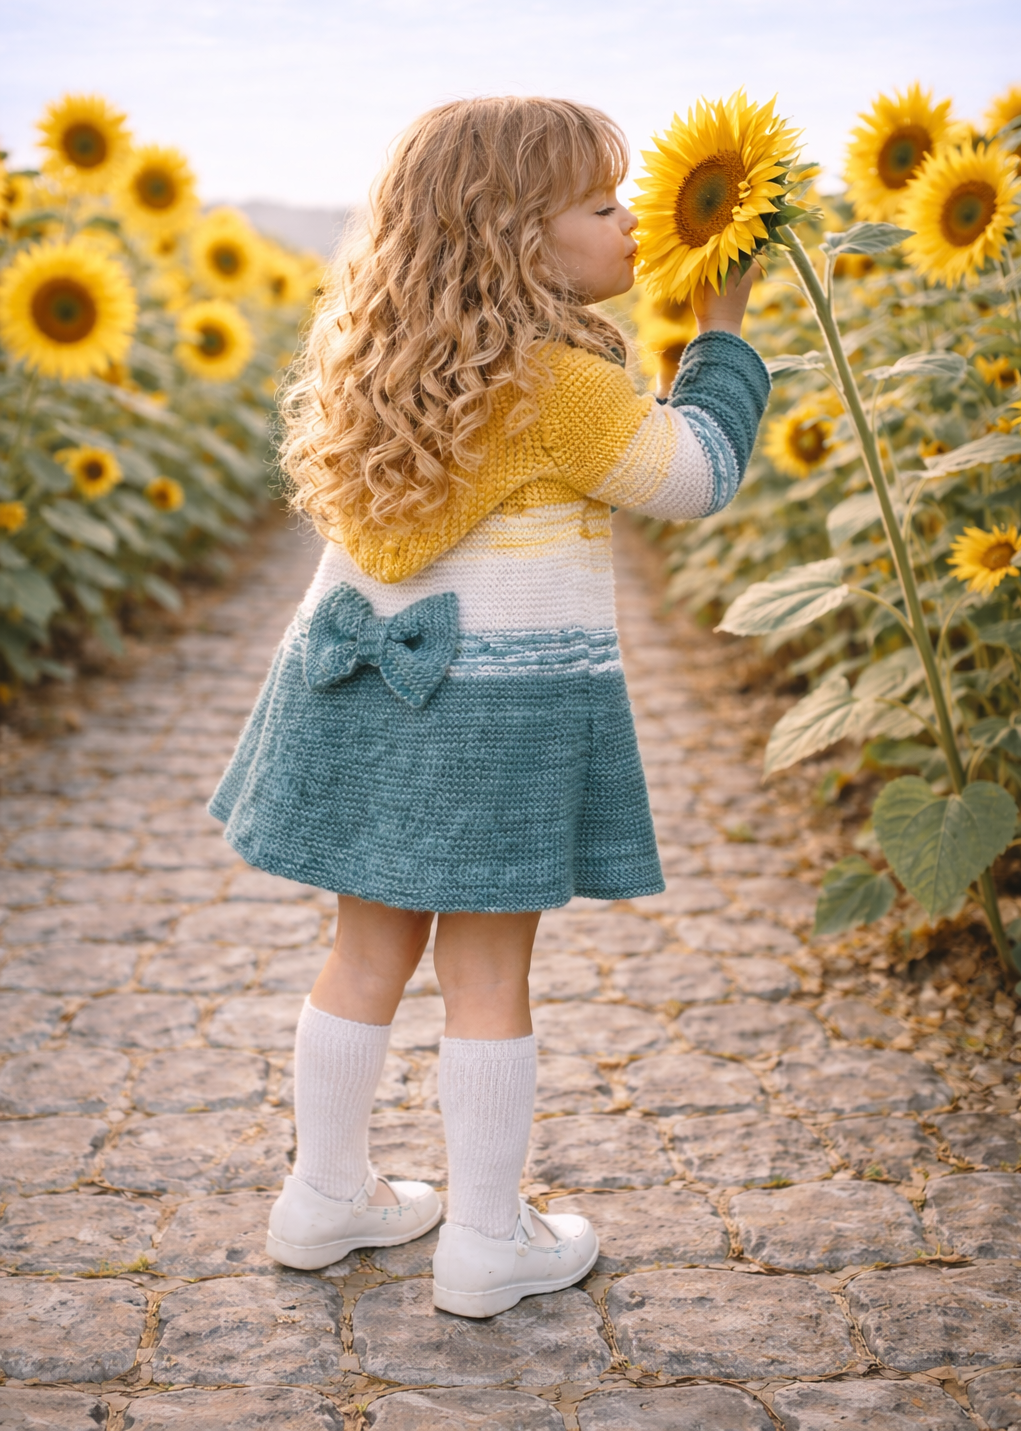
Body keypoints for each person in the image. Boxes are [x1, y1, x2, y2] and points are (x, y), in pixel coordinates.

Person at [209, 96, 768, 1319]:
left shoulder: (382, 367)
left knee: (362, 952)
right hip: (491, 718)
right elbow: (695, 476)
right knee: (484, 972)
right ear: (518, 237)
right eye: (604, 204)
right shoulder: (557, 384)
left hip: (362, 685)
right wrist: (720, 333)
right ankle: (482, 1242)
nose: (633, 224)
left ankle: (323, 1199)